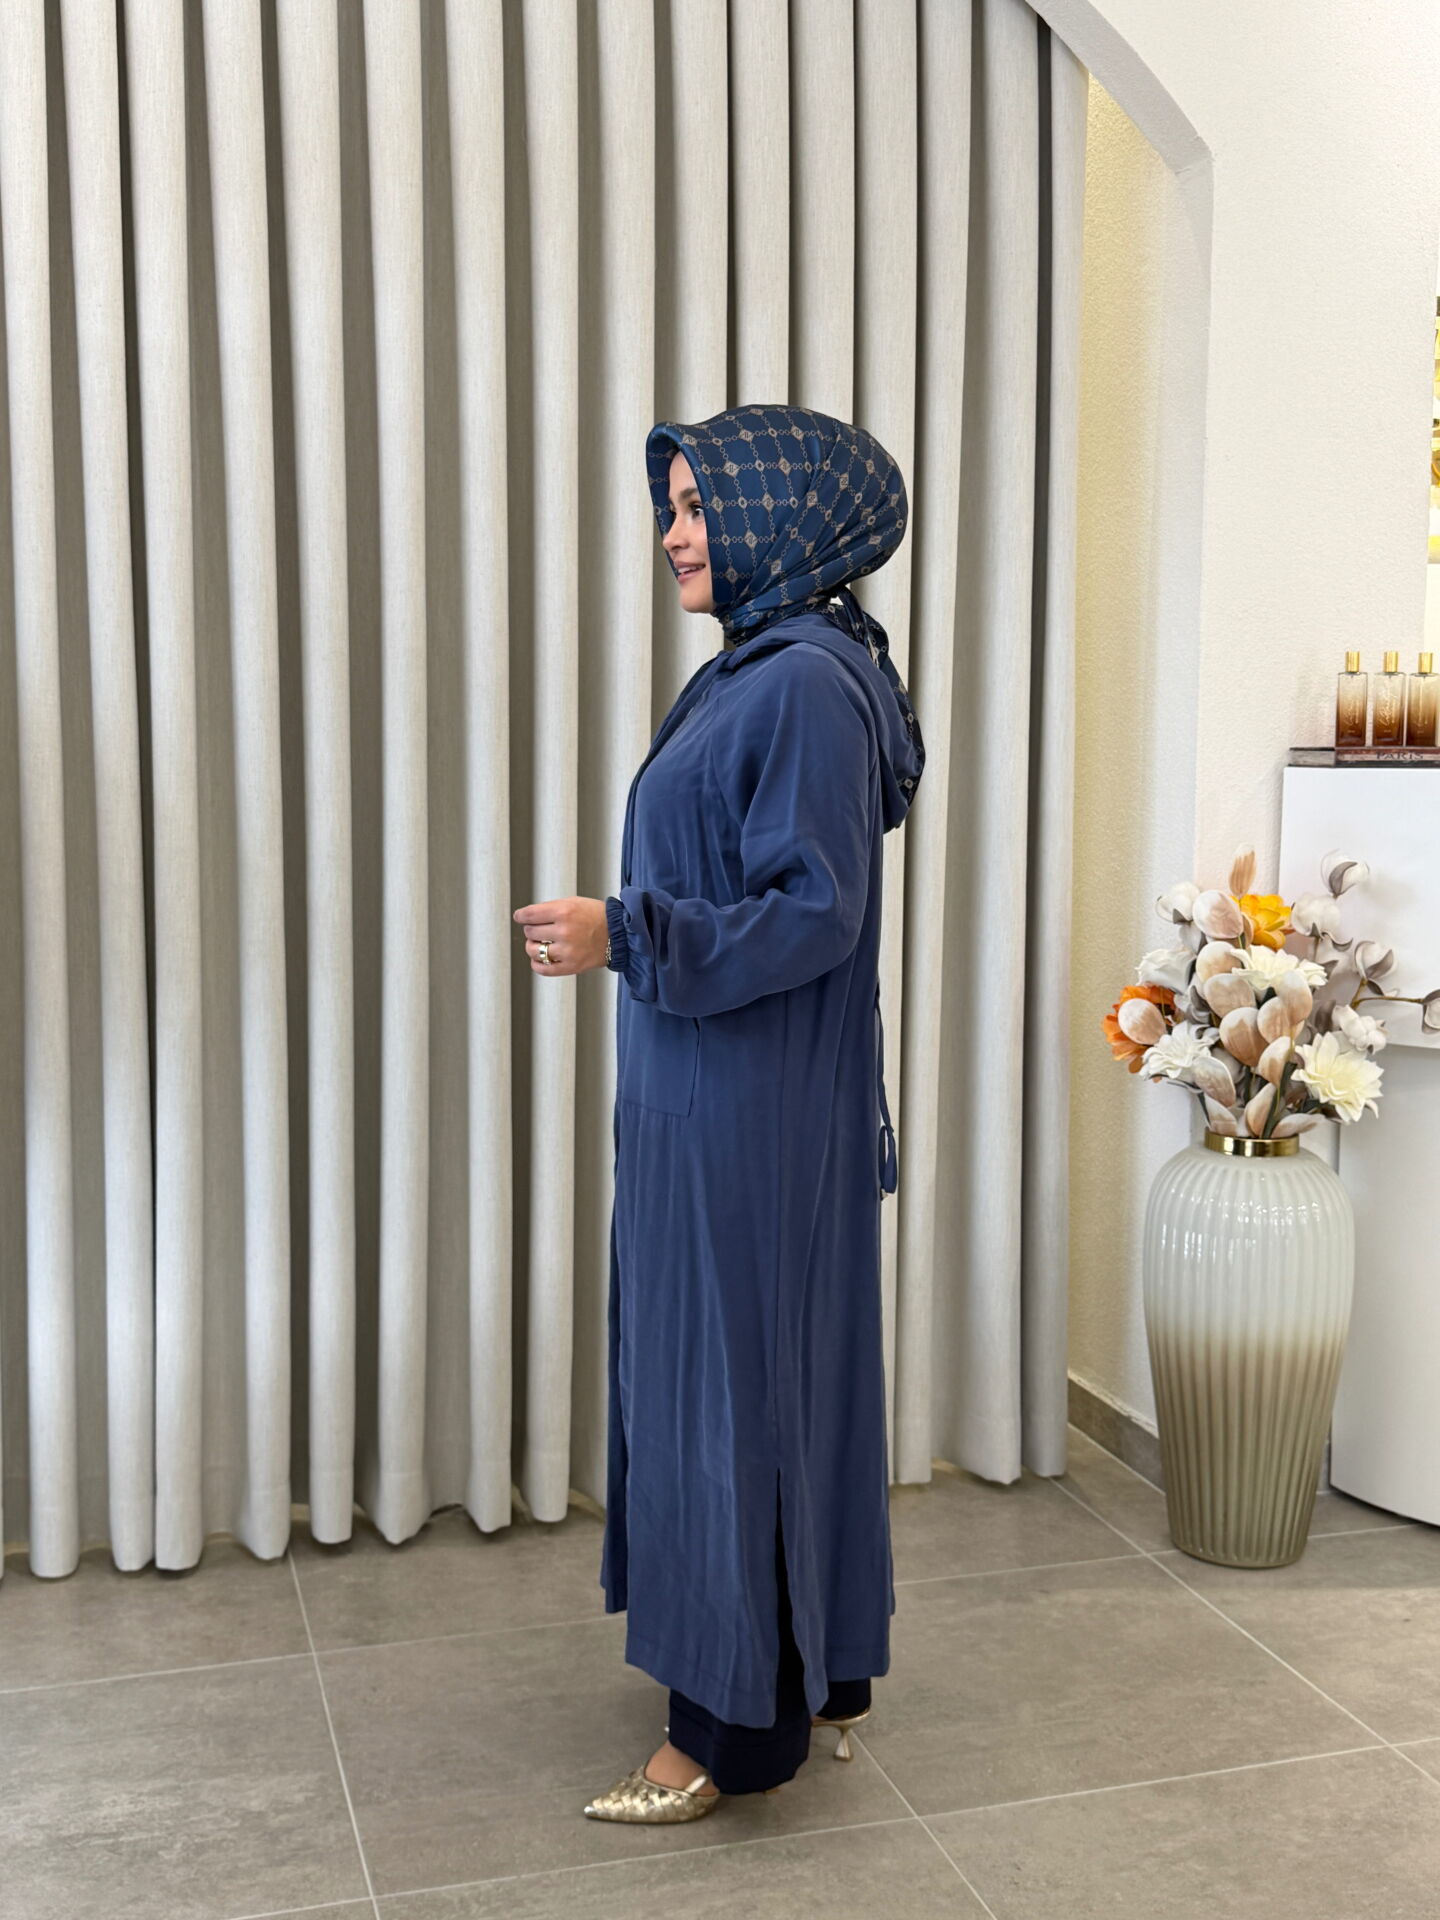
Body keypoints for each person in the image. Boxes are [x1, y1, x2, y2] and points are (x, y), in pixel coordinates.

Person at [511, 403, 925, 1822]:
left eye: (699, 507)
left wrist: (623, 930)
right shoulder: (768, 665)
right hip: (725, 1097)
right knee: (761, 1385)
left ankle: (724, 1733)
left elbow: (813, 912)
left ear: (779, 517)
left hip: (749, 1113)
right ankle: (806, 1670)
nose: (674, 534)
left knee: (725, 1396)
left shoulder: (800, 682)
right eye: (672, 507)